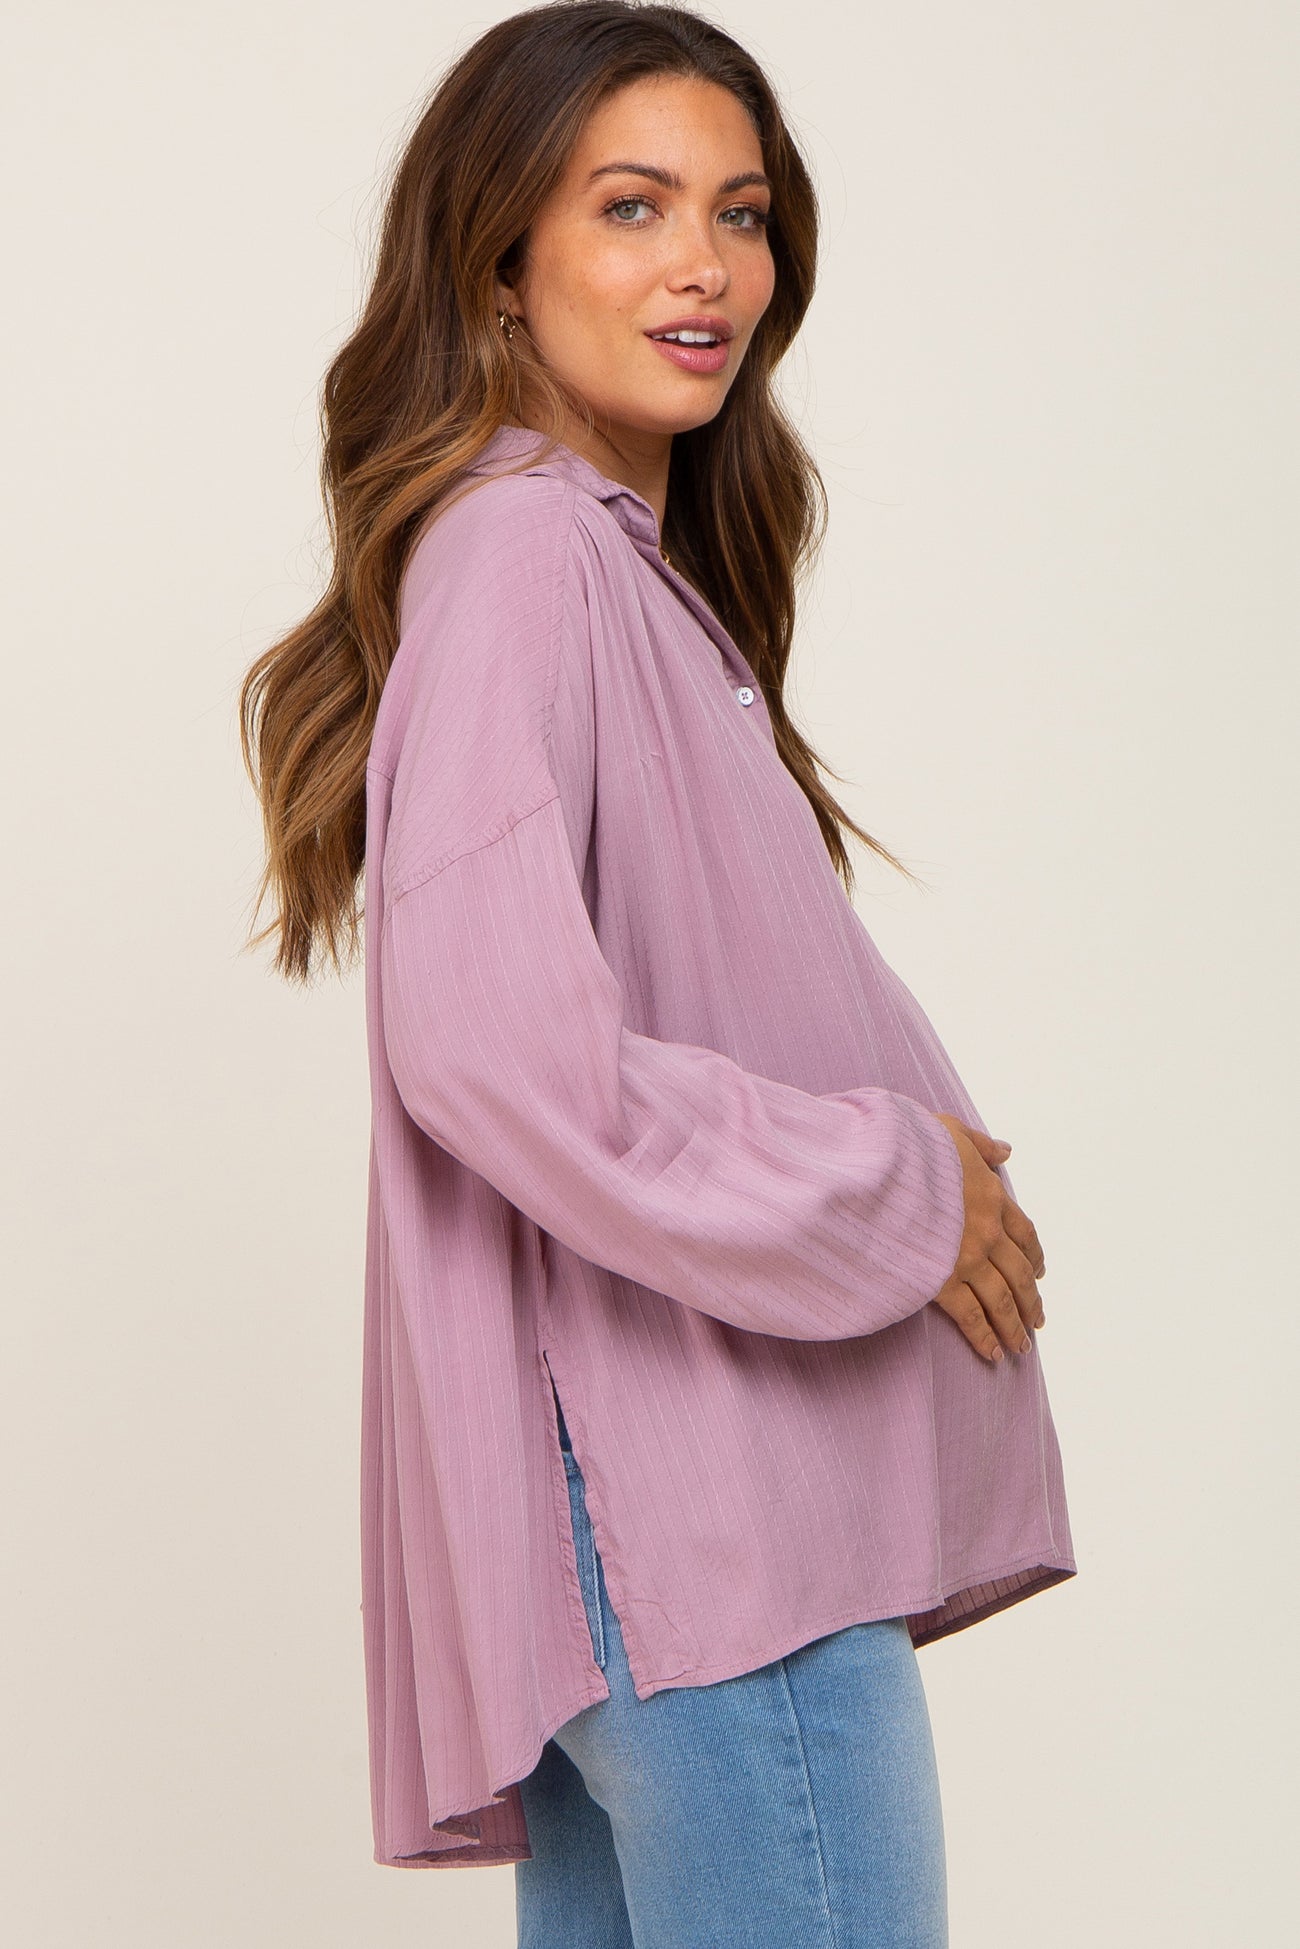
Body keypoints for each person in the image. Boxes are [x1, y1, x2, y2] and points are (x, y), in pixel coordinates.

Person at [239, 5, 1076, 1943]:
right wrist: (892, 1182)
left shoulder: (594, 562)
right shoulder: (528, 554)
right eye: (631, 207)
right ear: (496, 263)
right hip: (703, 1547)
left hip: (648, 1542)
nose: (705, 266)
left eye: (740, 213)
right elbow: (492, 1046)